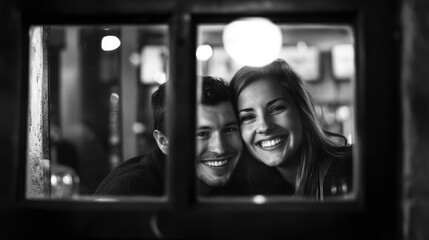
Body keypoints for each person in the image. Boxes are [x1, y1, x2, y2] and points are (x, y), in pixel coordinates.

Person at [94, 76, 243, 196]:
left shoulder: (238, 179)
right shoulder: (131, 191)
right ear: (163, 142)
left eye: (229, 129)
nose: (220, 148)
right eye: (202, 134)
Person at [229, 58, 352, 200]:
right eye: (248, 117)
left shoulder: (350, 171)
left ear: (302, 110)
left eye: (276, 109)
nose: (264, 127)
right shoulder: (255, 189)